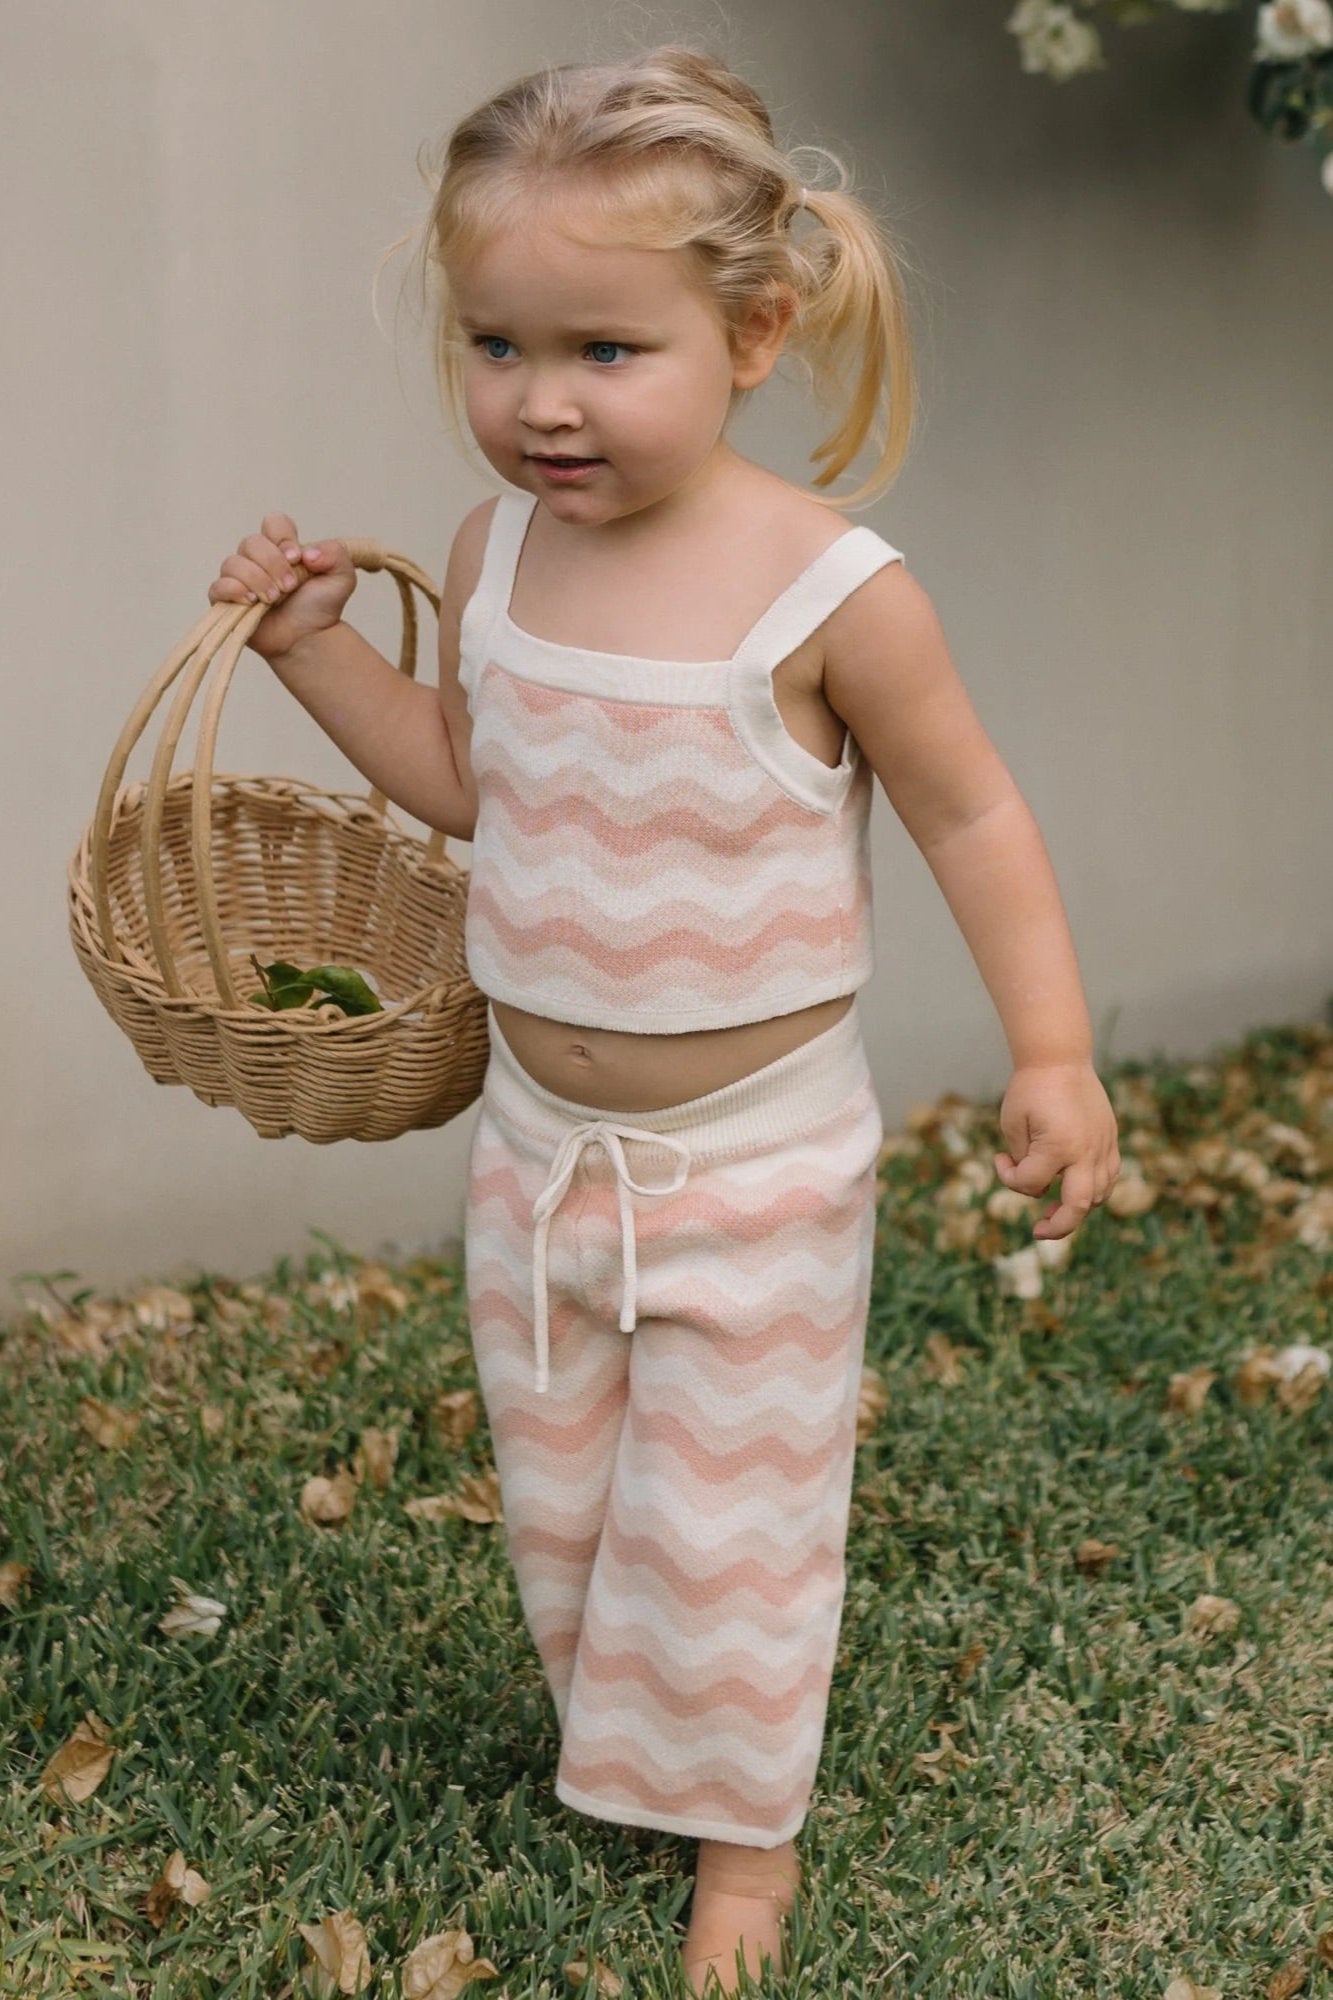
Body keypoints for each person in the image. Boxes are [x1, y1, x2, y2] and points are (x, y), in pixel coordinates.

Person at [208, 42, 1121, 1995]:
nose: (541, 399)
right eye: (497, 342)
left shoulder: (830, 594)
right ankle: (641, 1735)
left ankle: (743, 1840)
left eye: (605, 349)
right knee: (570, 1496)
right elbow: (468, 778)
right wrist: (313, 656)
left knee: (729, 1520)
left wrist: (1049, 1050)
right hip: (542, 1155)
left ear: (754, 328)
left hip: (759, 1164)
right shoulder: (495, 555)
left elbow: (969, 809)